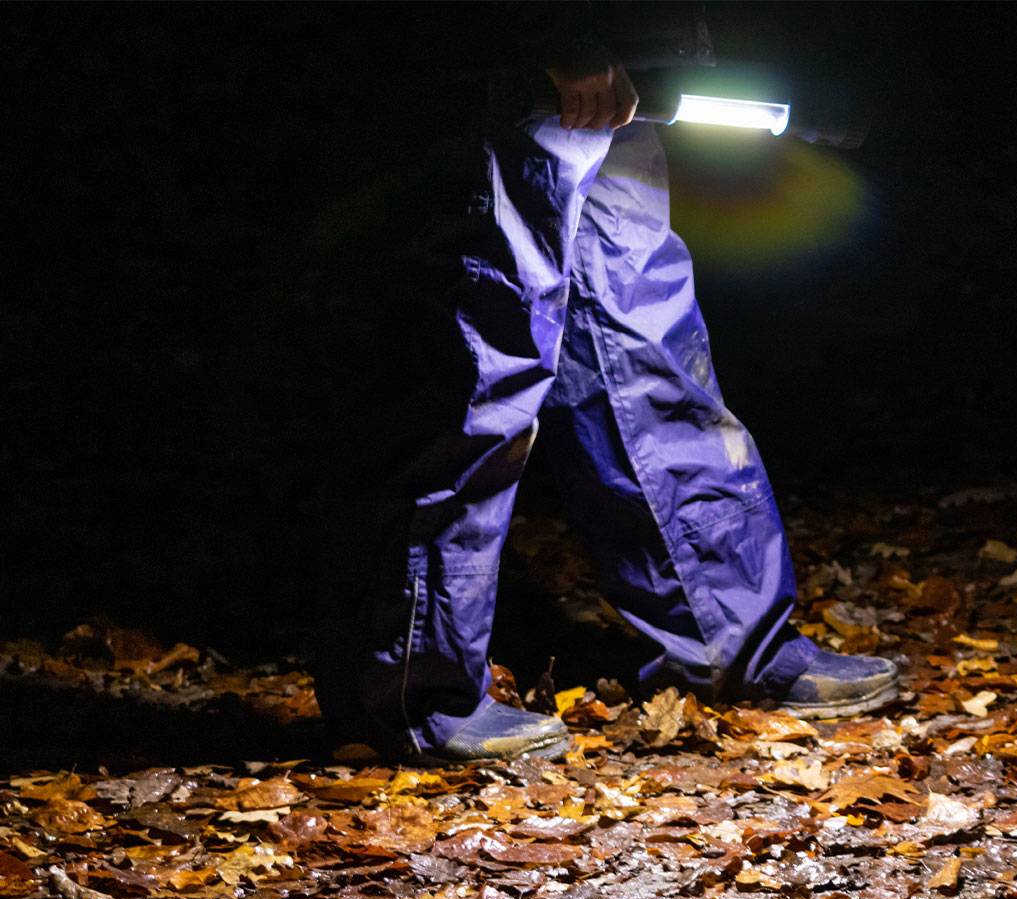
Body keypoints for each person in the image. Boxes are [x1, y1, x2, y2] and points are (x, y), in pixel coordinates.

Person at [315, 2, 897, 763]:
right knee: (484, 375)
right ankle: (407, 697)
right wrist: (546, 35)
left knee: (645, 356)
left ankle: (731, 646)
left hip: (625, 76)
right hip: (528, 81)